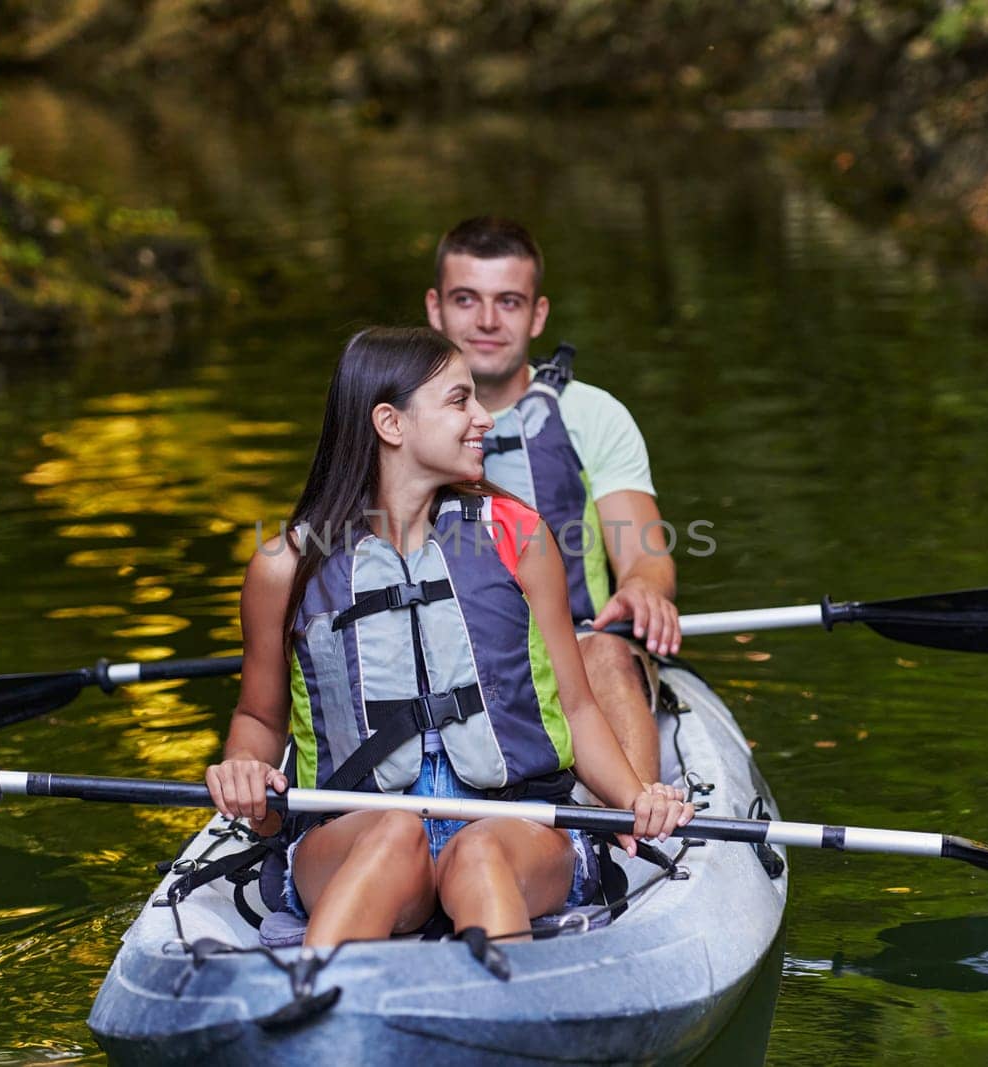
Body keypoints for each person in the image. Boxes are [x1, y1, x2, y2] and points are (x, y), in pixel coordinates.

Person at [204, 327, 691, 948]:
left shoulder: (521, 536)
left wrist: (635, 798)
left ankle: (504, 1021)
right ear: (391, 423)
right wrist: (244, 767)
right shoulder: (284, 568)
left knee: (479, 850)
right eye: (460, 401)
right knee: (391, 835)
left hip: (514, 823)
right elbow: (258, 719)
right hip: (353, 832)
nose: (485, 418)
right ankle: (315, 1015)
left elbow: (576, 707)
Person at [425, 216, 676, 782]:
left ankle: (637, 830)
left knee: (605, 655)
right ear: (435, 308)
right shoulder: (395, 420)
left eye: (509, 302)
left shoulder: (594, 414)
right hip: (446, 657)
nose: (487, 321)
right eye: (467, 300)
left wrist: (642, 587)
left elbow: (646, 556)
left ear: (538, 314)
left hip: (580, 645)